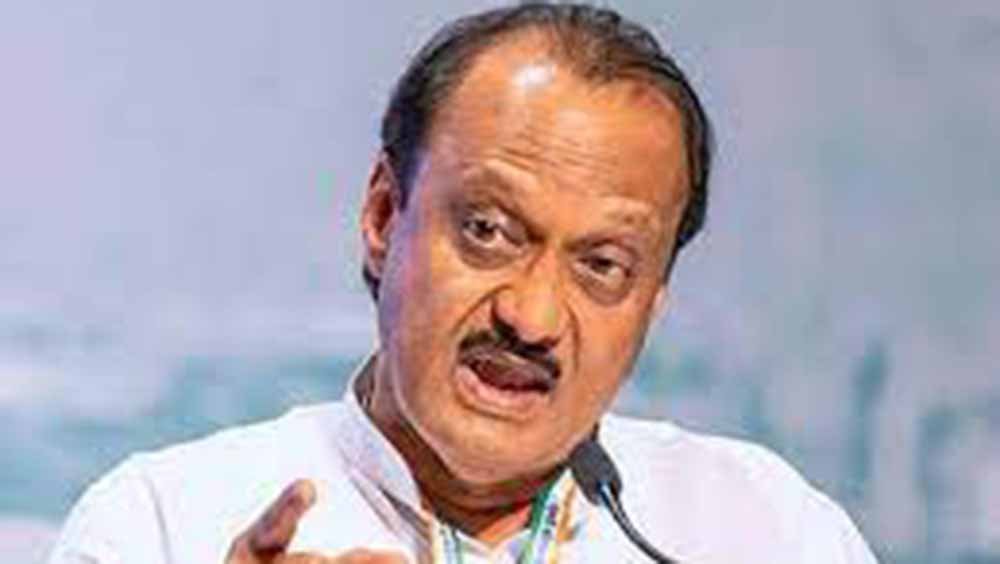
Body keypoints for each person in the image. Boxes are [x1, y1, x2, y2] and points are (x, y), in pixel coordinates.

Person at [48, 3, 878, 563]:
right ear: (384, 215)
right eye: (489, 231)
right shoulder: (159, 525)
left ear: (654, 300)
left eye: (602, 266)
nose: (532, 315)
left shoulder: (770, 531)